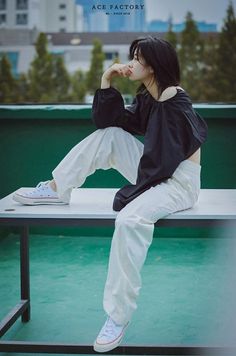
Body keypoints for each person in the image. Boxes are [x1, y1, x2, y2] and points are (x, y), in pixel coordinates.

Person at [13, 36, 208, 353]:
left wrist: (132, 193)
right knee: (109, 136)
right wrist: (107, 80)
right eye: (132, 56)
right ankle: (56, 188)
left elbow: (166, 162)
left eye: (138, 58)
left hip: (179, 183)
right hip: (156, 169)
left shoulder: (174, 100)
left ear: (155, 66)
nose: (131, 63)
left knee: (130, 220)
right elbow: (113, 122)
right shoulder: (150, 96)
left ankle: (118, 318)